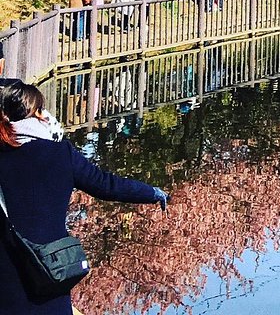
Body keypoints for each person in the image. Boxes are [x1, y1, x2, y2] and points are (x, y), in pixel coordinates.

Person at [0, 81, 167, 315]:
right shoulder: (60, 154)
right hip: (49, 269)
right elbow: (107, 186)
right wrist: (152, 192)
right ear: (36, 114)